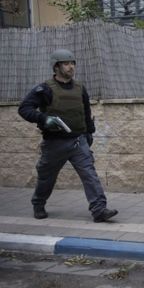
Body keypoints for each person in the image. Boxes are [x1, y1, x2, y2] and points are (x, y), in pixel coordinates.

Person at [18, 49, 118, 222]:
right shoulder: (45, 89)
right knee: (46, 178)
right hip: (54, 143)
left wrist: (89, 132)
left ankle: (99, 210)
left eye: (72, 63)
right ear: (56, 67)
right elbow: (24, 109)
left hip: (78, 141)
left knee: (90, 174)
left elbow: (86, 111)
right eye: (66, 63)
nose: (71, 67)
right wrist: (43, 118)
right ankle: (38, 203)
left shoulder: (80, 88)